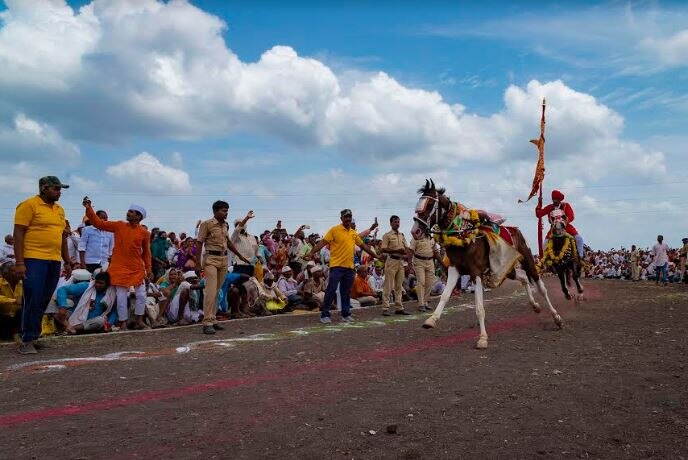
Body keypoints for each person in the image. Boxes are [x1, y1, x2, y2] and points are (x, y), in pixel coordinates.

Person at [14, 176, 72, 354]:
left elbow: (62, 237)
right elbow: (18, 234)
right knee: (33, 298)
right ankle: (26, 339)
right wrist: (20, 262)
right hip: (33, 258)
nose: (59, 192)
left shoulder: (59, 210)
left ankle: (34, 336)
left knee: (44, 299)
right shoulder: (28, 205)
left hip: (54, 260)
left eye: (60, 189)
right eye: (56, 189)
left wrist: (67, 260)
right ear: (44, 188)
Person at [82, 197, 152, 330]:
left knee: (141, 295)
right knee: (120, 296)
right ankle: (123, 322)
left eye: (132, 212)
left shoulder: (145, 233)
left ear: (138, 217)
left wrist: (148, 269)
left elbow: (146, 253)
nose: (128, 213)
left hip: (136, 268)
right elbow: (98, 223)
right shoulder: (119, 225)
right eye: (129, 211)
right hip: (119, 267)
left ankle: (139, 321)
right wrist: (89, 208)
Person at [309, 209, 378, 324]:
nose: (348, 219)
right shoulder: (334, 230)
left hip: (350, 268)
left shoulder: (353, 233)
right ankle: (325, 314)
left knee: (345, 292)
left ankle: (346, 314)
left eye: (349, 217)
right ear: (341, 218)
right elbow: (322, 243)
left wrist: (376, 256)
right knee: (331, 290)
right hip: (336, 266)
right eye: (346, 217)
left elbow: (364, 246)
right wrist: (311, 253)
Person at [196, 200, 250, 335]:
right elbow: (199, 243)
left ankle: (213, 319)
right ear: (215, 211)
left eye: (227, 210)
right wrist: (198, 262)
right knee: (210, 290)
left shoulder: (225, 225)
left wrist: (240, 256)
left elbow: (228, 242)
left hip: (223, 259)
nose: (226, 213)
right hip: (210, 259)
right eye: (223, 210)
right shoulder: (207, 224)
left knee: (217, 290)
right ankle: (207, 322)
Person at [536, 190, 585, 258]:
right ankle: (545, 262)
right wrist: (539, 203)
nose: (554, 201)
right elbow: (539, 214)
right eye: (553, 200)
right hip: (554, 229)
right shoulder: (549, 207)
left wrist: (565, 221)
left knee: (579, 239)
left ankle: (580, 256)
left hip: (566, 227)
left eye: (556, 199)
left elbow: (571, 216)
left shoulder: (566, 205)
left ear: (559, 200)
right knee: (545, 244)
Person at [380, 215, 411, 316]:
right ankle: (385, 307)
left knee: (399, 286)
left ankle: (399, 307)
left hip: (400, 261)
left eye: (398, 222)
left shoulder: (402, 235)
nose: (397, 224)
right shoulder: (387, 235)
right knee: (388, 285)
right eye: (395, 222)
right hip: (391, 260)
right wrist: (396, 250)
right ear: (391, 223)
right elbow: (383, 249)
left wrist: (408, 257)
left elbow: (406, 248)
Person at [409, 231, 438, 312]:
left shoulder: (432, 238)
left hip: (430, 261)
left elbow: (435, 251)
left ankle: (425, 302)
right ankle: (421, 304)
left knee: (429, 283)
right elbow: (411, 250)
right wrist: (409, 264)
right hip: (419, 261)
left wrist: (442, 263)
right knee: (421, 282)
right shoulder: (416, 237)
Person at [231, 211, 259, 276]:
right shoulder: (235, 237)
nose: (239, 226)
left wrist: (258, 258)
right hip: (240, 265)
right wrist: (246, 218)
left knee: (250, 284)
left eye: (240, 224)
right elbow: (237, 230)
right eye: (236, 225)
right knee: (240, 284)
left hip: (251, 265)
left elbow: (256, 250)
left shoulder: (252, 237)